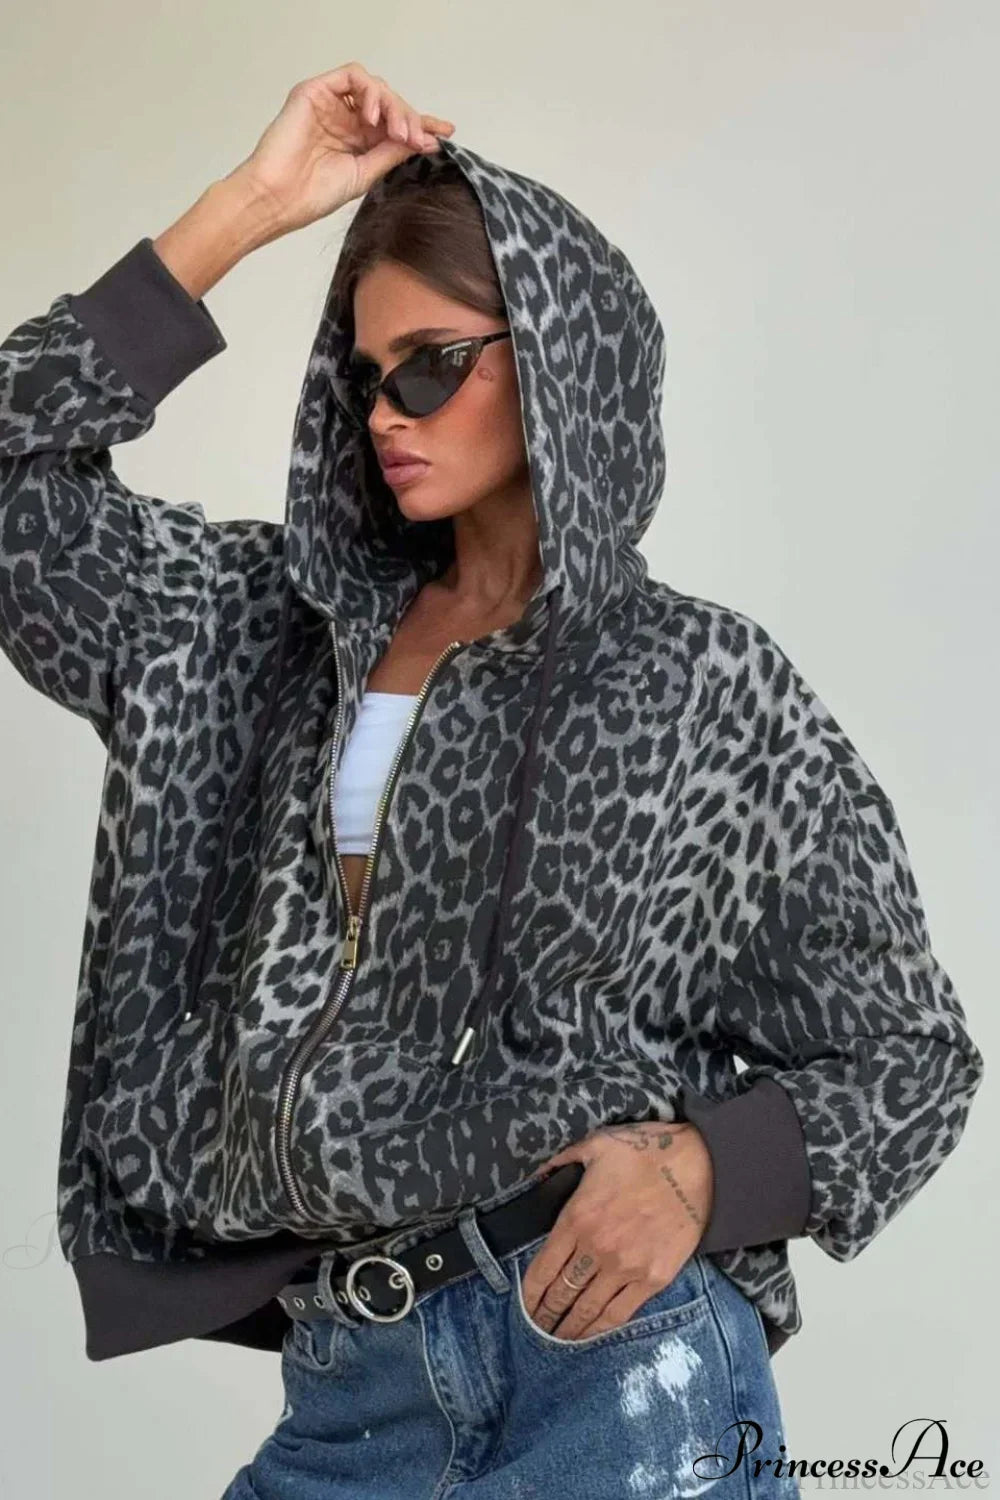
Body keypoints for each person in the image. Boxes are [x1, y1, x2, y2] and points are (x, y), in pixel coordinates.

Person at [0, 61, 984, 1498]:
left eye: (430, 364)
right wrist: (251, 204)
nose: (383, 412)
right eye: (363, 376)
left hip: (615, 1364)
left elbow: (913, 1054)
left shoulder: (703, 686)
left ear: (561, 360)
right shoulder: (257, 631)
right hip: (350, 1388)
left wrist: (702, 1172)